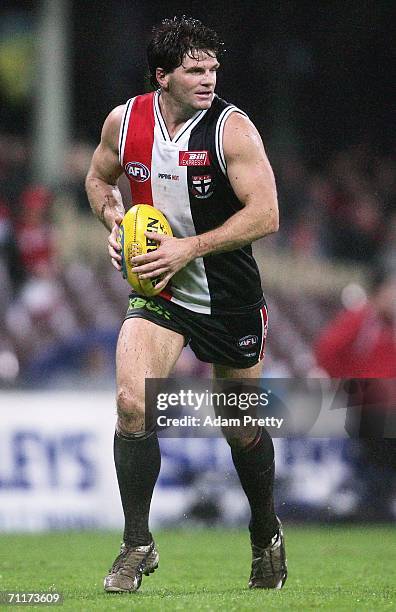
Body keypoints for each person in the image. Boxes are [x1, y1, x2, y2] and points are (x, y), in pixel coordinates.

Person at [85, 16, 287, 593]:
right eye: (195, 70)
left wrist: (187, 248)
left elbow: (267, 215)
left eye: (213, 67)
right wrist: (114, 220)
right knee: (131, 402)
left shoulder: (232, 130)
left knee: (239, 424)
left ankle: (266, 532)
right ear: (162, 76)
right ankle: (136, 543)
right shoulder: (125, 124)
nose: (208, 78)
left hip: (228, 296)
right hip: (160, 292)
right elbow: (99, 180)